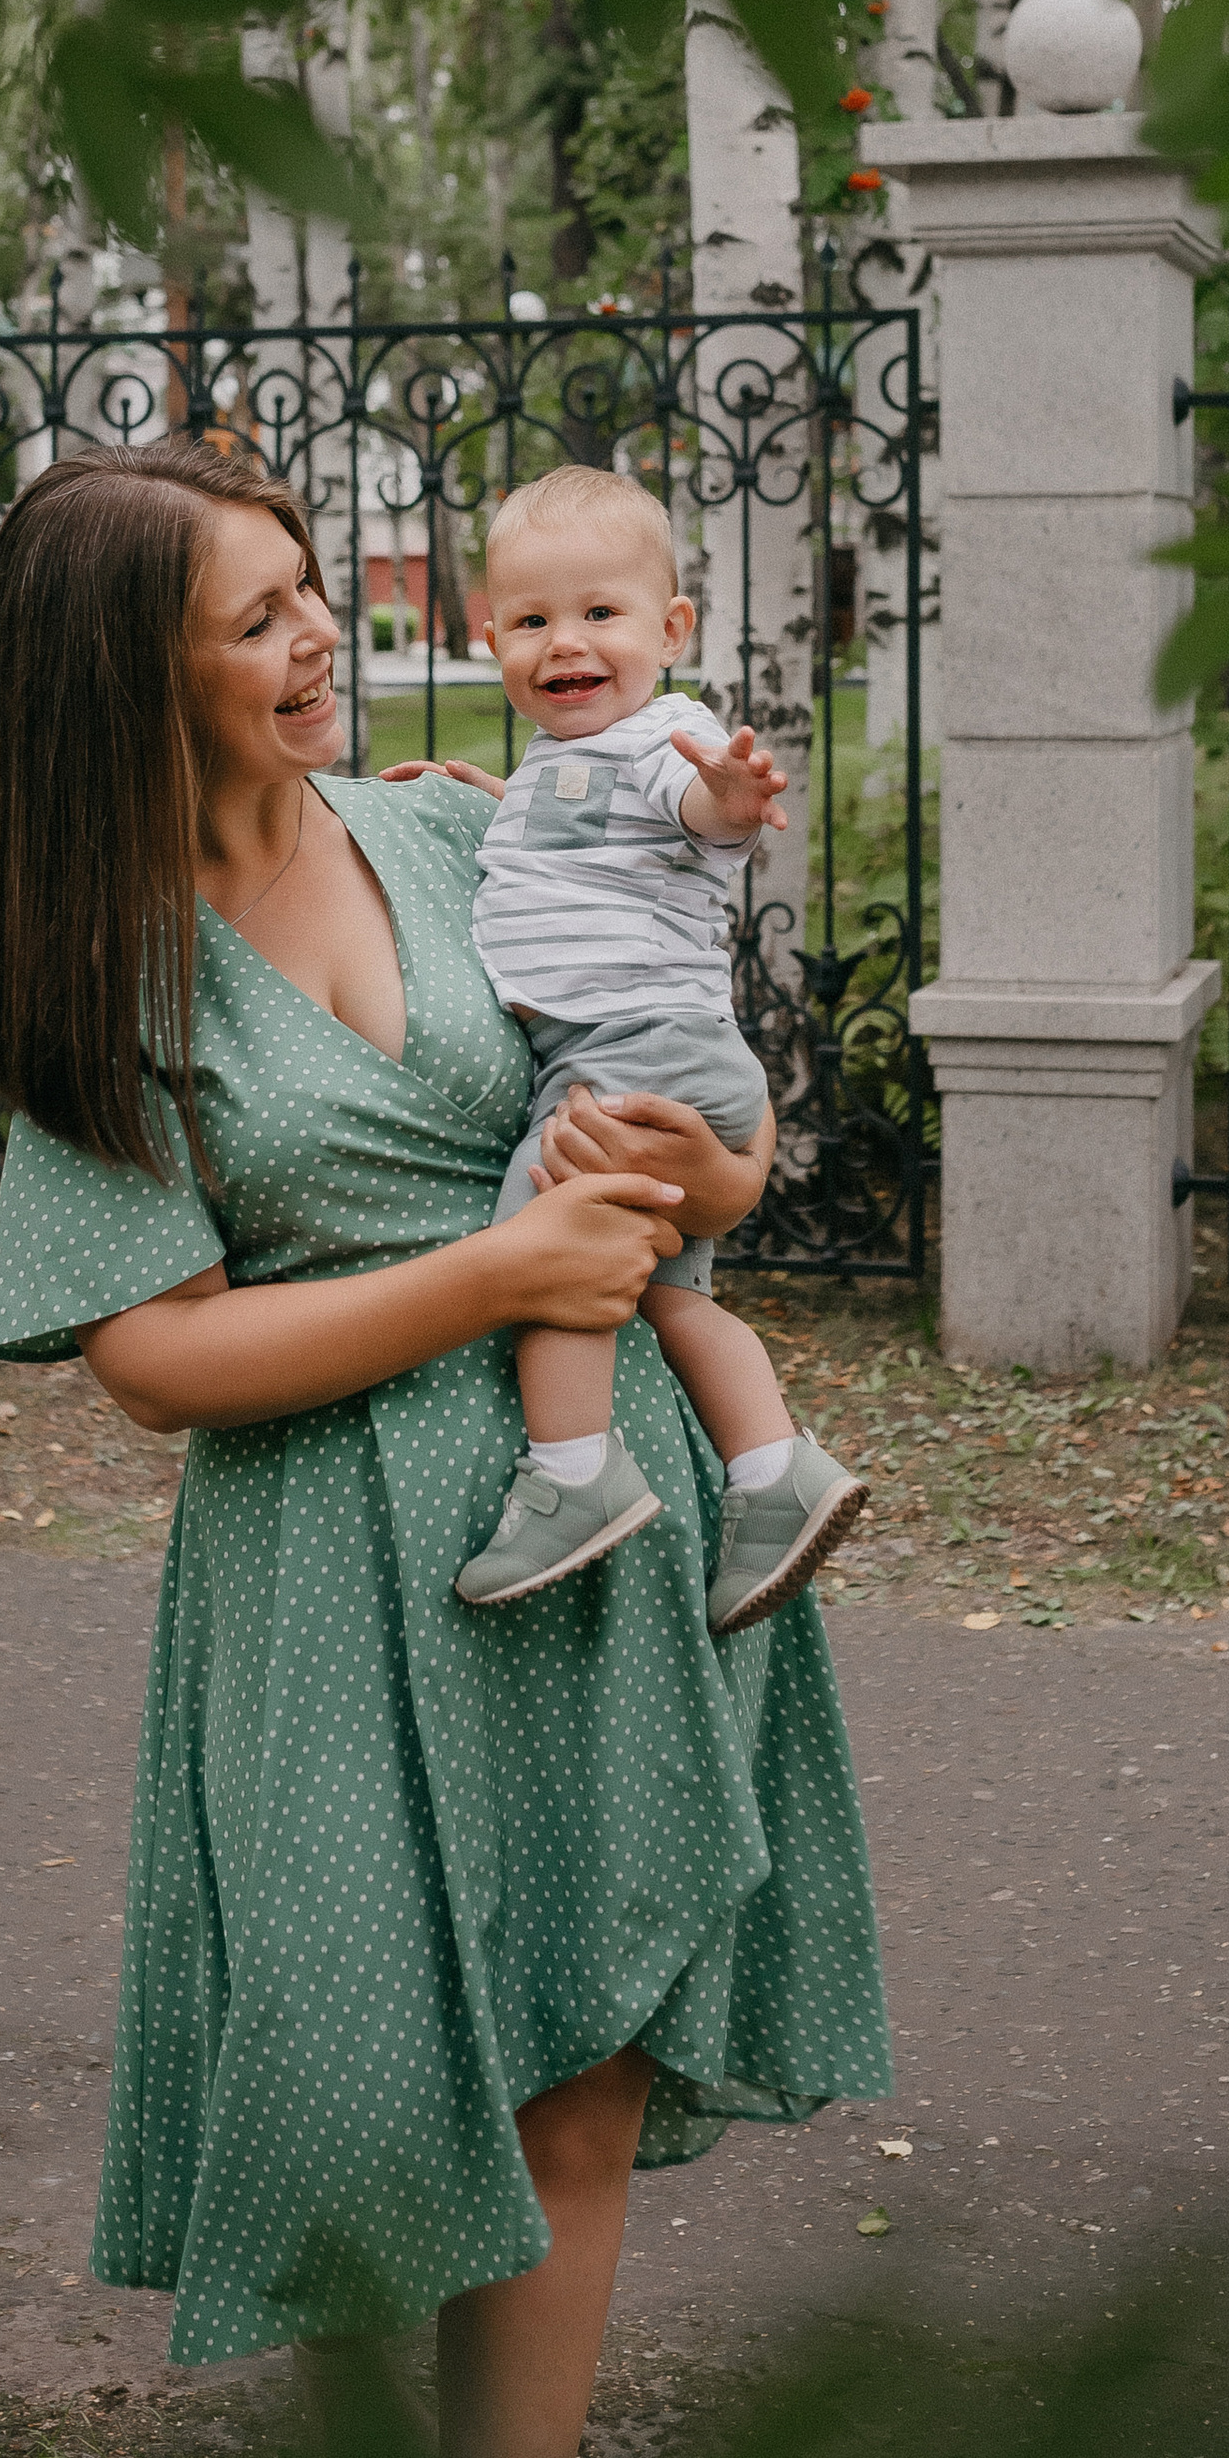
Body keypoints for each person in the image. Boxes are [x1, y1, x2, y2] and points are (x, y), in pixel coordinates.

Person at [0, 436, 889, 2458]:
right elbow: (154, 1358)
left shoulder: (463, 830)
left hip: (600, 1520)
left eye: (312, 594)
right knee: (377, 2086)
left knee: (578, 2083)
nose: (319, 642)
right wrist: (488, 1284)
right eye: (259, 618)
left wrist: (698, 1174)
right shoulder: (102, 978)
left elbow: (692, 1176)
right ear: (123, 680)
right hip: (337, 1560)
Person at [403, 462, 866, 1628]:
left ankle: (573, 1477)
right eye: (532, 620)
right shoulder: (571, 764)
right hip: (657, 1055)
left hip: (629, 1053)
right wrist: (487, 796)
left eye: (599, 613)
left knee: (542, 1251)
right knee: (667, 1297)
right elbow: (579, 837)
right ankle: (772, 1475)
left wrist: (734, 796)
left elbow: (687, 810)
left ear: (671, 629)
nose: (567, 641)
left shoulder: (670, 738)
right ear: (490, 637)